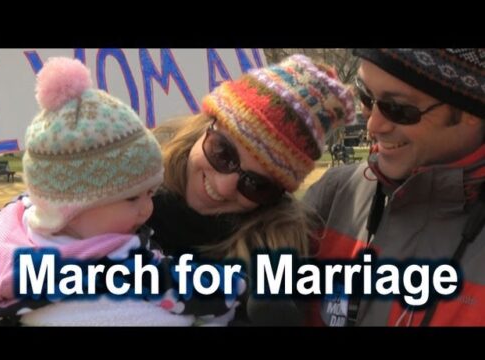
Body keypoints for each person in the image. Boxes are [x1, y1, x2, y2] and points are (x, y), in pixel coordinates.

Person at [0, 57, 245, 326]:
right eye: (132, 197)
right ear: (71, 207)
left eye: (151, 193)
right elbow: (192, 289)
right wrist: (237, 287)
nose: (148, 208)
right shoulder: (115, 261)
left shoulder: (11, 228)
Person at [147, 54, 356, 324]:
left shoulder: (276, 263)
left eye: (256, 185)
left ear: (276, 197)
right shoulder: (115, 199)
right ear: (206, 126)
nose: (223, 188)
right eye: (222, 153)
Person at [303, 48, 485, 326]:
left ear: (470, 109)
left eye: (398, 109)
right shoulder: (335, 195)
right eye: (366, 97)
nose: (373, 124)